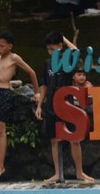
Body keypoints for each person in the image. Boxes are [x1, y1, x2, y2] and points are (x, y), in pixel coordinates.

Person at [35, 31, 94, 183]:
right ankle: (57, 173)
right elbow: (45, 86)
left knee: (74, 139)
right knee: (54, 140)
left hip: (67, 104)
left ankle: (79, 172)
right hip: (51, 105)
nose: (51, 52)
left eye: (54, 49)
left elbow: (76, 51)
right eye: (48, 49)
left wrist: (64, 38)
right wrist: (40, 105)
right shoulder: (47, 64)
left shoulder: (68, 60)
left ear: (60, 47)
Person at [0, 29, 40, 181]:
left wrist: (36, 93)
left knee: (2, 129)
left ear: (10, 46)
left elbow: (32, 73)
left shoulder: (14, 58)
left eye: (2, 45)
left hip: (4, 94)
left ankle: (0, 166)